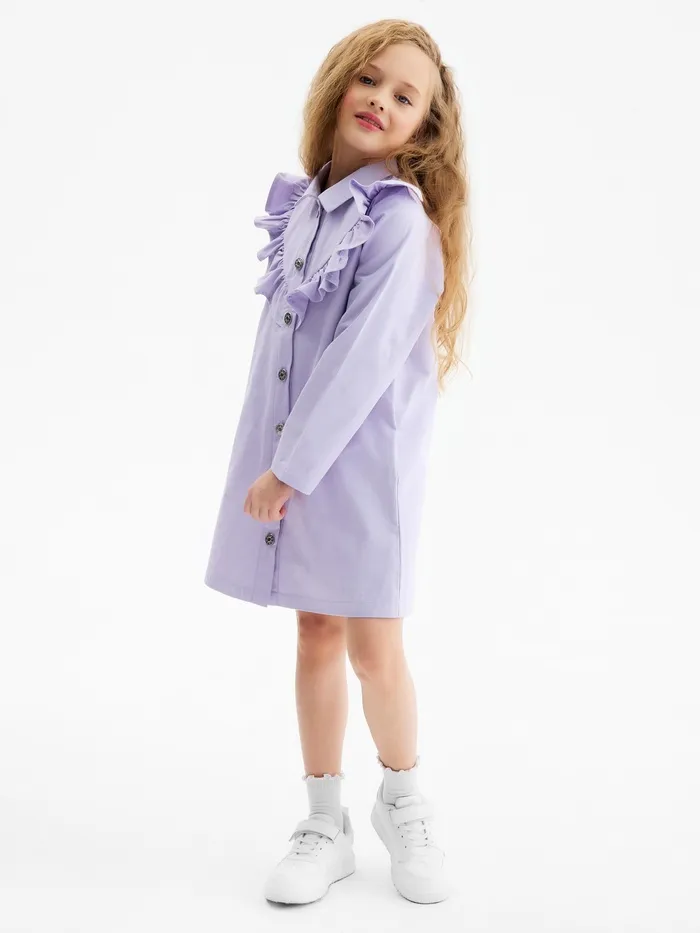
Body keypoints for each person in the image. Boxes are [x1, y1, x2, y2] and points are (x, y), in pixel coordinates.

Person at [204, 18, 470, 906]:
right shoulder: (309, 207)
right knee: (313, 630)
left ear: (424, 128)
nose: (380, 101)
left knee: (374, 642)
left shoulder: (401, 226)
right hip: (293, 453)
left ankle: (404, 798)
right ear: (339, 84)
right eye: (371, 80)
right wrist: (273, 455)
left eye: (405, 97)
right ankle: (325, 819)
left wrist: (291, 467)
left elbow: (361, 359)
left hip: (358, 468)